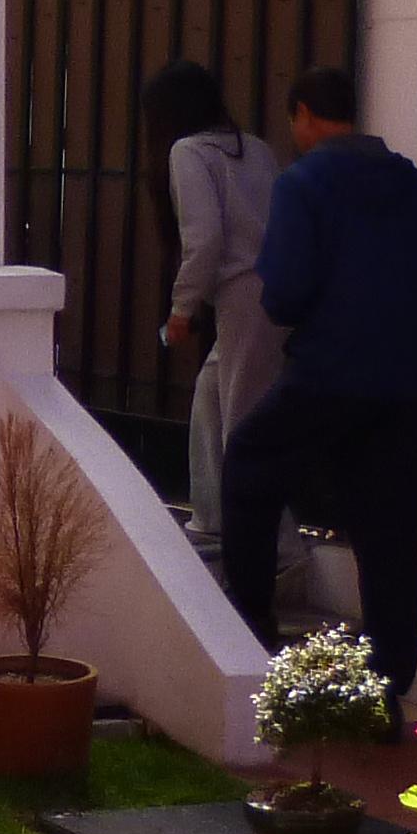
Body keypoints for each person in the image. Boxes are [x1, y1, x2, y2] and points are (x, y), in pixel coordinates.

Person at [224, 60, 417, 701]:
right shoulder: (415, 186)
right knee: (393, 537)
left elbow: (286, 296)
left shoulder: (304, 183)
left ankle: (249, 633)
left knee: (250, 462)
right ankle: (386, 692)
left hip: (329, 374)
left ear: (303, 115)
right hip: (404, 385)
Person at [143, 58, 284, 552]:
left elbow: (203, 240)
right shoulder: (258, 151)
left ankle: (268, 550)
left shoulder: (188, 152)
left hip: (243, 294)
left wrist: (182, 309)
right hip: (282, 291)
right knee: (213, 398)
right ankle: (213, 521)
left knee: (243, 427)